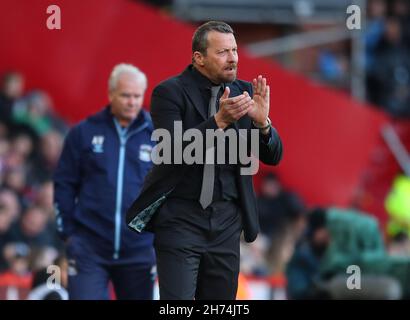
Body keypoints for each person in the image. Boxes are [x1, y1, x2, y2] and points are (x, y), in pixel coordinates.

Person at [126, 21, 283, 300]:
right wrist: (218, 122)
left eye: (234, 50)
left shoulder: (245, 93)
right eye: (223, 52)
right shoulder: (169, 93)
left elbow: (274, 156)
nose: (233, 57)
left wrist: (263, 125)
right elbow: (172, 153)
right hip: (181, 219)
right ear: (199, 58)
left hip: (227, 221)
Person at [53, 63, 156, 300]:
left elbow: (170, 190)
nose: (132, 102)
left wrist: (159, 238)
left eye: (137, 96)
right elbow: (64, 183)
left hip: (139, 250)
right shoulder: (83, 132)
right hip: (89, 248)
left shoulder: (158, 135)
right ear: (111, 94)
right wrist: (67, 232)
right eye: (125, 95)